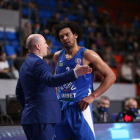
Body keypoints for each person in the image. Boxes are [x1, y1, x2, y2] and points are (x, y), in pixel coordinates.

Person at [15, 34, 92, 140]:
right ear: (38, 46)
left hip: (32, 118)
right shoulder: (38, 63)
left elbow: (19, 92)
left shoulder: (25, 65)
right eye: (45, 43)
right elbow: (50, 80)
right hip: (42, 119)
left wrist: (31, 109)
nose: (47, 46)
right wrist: (74, 73)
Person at [52, 21, 116, 140]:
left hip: (80, 107)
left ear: (75, 35)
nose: (65, 38)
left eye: (67, 34)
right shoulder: (57, 56)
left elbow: (111, 76)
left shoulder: (88, 54)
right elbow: (56, 79)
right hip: (61, 108)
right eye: (61, 37)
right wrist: (54, 98)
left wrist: (92, 96)